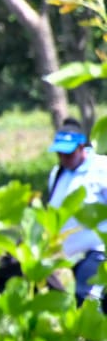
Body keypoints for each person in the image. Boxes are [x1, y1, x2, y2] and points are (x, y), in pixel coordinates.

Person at [46, 118, 107, 311]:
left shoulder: (101, 169)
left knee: (87, 300)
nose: (64, 158)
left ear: (81, 147)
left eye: (69, 153)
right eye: (60, 154)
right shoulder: (58, 173)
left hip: (97, 252)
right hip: (68, 258)